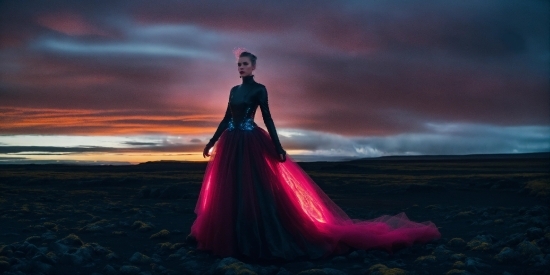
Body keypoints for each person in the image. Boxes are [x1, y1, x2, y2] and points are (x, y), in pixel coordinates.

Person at [190, 50, 441, 261]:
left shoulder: (259, 90)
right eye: (239, 65)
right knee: (230, 192)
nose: (241, 68)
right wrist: (211, 142)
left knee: (255, 192)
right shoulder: (233, 90)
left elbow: (267, 118)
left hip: (251, 142)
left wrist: (277, 147)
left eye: (245, 64)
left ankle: (257, 239)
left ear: (254, 67)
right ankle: (232, 238)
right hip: (231, 143)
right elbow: (225, 118)